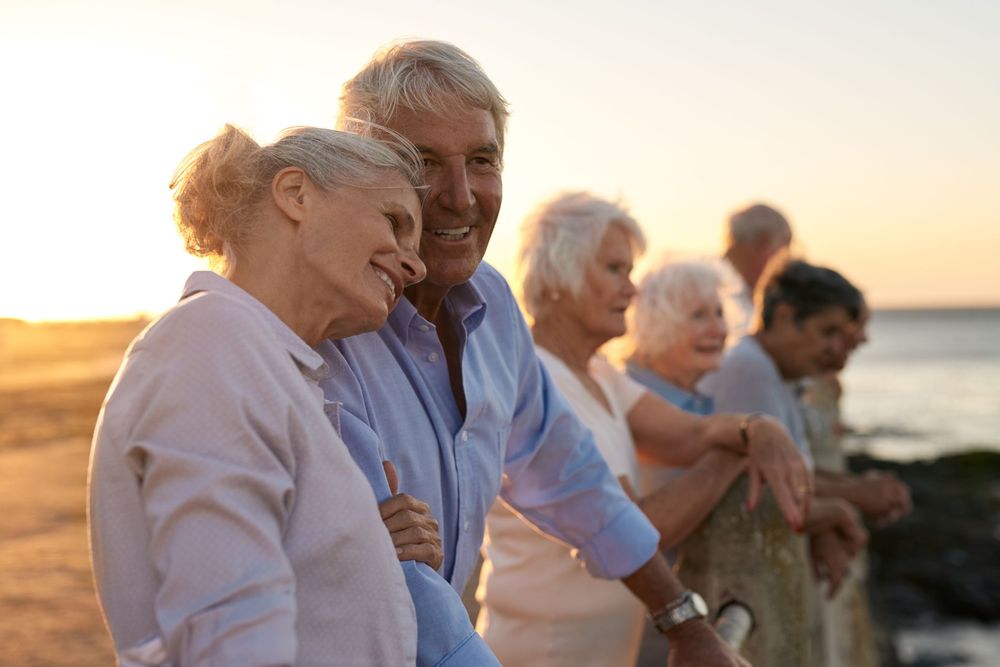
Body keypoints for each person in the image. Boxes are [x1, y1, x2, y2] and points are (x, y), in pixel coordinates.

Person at [318, 40, 810, 666]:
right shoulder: (326, 330)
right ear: (361, 173)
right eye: (422, 162)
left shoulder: (493, 307)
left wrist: (684, 621)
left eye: (482, 159)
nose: (462, 196)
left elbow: (571, 475)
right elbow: (402, 594)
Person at [88, 124, 435, 666]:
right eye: (393, 220)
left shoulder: (266, 364)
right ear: (296, 194)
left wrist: (362, 559)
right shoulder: (211, 346)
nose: (416, 268)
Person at [477, 193, 796, 666]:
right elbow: (636, 523)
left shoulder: (601, 373)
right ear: (560, 274)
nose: (632, 290)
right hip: (546, 648)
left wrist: (756, 427)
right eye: (614, 270)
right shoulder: (539, 378)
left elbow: (692, 435)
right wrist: (739, 450)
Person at [719, 202, 793, 340]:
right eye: (785, 251)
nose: (788, 260)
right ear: (762, 245)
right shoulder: (715, 294)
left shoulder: (744, 293)